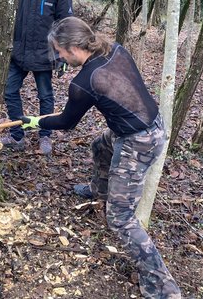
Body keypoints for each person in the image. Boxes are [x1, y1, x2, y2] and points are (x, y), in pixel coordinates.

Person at [21, 17, 182, 298]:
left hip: (139, 141)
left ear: (73, 47)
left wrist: (35, 122)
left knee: (120, 218)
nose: (58, 56)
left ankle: (163, 286)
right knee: (100, 145)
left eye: (60, 50)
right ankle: (100, 189)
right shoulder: (114, 49)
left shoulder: (83, 83)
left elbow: (66, 122)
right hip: (144, 126)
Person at [0, 0, 73, 155]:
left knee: (45, 96)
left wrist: (63, 56)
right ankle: (17, 136)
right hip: (19, 51)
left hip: (44, 54)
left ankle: (45, 136)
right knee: (9, 90)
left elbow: (66, 23)